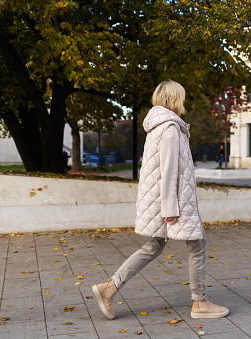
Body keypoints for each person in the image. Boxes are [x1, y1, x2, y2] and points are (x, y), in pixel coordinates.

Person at [91, 80, 229, 320]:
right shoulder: (170, 128)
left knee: (154, 246)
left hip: (164, 200)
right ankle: (200, 303)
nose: (183, 102)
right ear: (175, 99)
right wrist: (170, 207)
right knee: (197, 244)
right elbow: (168, 171)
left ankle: (109, 288)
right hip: (173, 201)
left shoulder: (157, 126)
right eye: (182, 97)